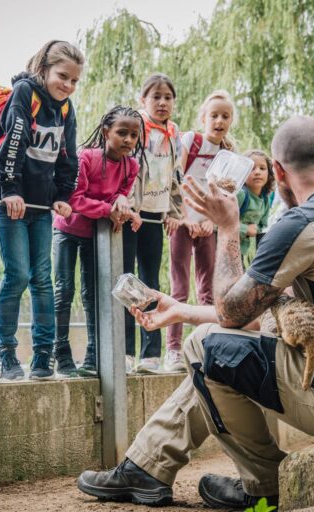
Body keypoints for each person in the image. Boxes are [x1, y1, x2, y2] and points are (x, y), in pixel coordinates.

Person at [77, 116, 314, 509]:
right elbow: (257, 318)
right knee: (215, 356)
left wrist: (226, 227)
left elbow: (231, 314)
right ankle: (146, 466)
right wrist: (181, 310)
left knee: (207, 349)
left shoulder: (303, 223)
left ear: (278, 171)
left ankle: (266, 484)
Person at [0, 40, 83, 380]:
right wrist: (10, 190)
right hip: (9, 202)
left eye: (74, 80)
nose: (68, 85)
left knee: (42, 279)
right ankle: (6, 352)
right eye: (62, 76)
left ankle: (43, 356)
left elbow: (68, 155)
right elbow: (13, 142)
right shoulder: (25, 93)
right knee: (17, 275)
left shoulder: (66, 108)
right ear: (43, 69)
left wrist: (63, 195)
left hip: (41, 207)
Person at [52, 106, 142, 378]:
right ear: (106, 132)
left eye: (134, 135)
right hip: (67, 230)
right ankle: (61, 354)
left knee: (93, 295)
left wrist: (127, 209)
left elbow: (121, 197)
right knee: (63, 291)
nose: (128, 140)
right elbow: (75, 199)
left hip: (95, 235)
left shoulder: (132, 165)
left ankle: (93, 355)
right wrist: (110, 209)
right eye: (122, 133)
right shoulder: (87, 158)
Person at [166, 90, 234, 373]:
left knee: (208, 289)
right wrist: (184, 217)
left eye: (225, 116)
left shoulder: (227, 155)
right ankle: (172, 351)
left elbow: (225, 196)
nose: (219, 121)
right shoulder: (190, 141)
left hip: (208, 226)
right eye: (214, 115)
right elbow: (176, 178)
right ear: (203, 118)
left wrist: (211, 221)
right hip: (182, 223)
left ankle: (208, 347)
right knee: (179, 286)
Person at [123, 73, 183, 373]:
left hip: (154, 217)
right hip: (130, 215)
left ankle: (150, 353)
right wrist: (126, 205)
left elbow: (175, 177)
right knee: (126, 281)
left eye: (168, 97)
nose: (162, 103)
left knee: (150, 283)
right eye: (155, 97)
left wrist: (173, 211)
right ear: (142, 100)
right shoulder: (135, 129)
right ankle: (124, 351)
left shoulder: (173, 134)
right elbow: (125, 169)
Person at [237, 149, 274, 264]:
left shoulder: (265, 198)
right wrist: (245, 229)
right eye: (251, 168)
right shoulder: (240, 194)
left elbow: (262, 226)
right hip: (229, 250)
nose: (257, 172)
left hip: (249, 252)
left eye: (262, 168)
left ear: (269, 173)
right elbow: (221, 223)